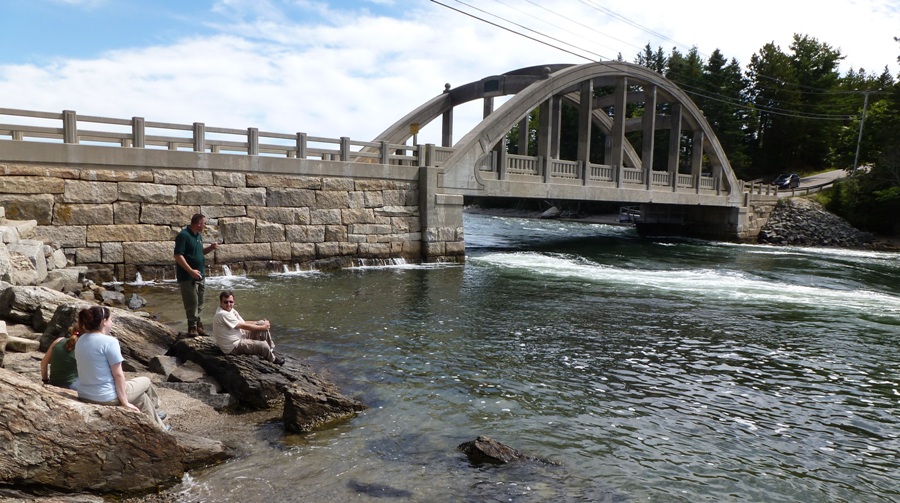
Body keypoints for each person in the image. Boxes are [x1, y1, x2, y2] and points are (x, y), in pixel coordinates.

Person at [73, 305, 169, 431]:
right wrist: (125, 402)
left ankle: (157, 424)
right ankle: (157, 413)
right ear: (104, 322)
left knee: (141, 398)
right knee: (146, 381)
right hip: (105, 397)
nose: (112, 323)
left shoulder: (80, 340)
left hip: (85, 394)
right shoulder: (109, 342)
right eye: (111, 320)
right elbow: (118, 374)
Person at [213, 290, 285, 365]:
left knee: (261, 323)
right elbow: (243, 326)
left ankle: (271, 350)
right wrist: (263, 327)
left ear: (234, 302)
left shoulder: (231, 310)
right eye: (226, 302)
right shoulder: (222, 314)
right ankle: (273, 360)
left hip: (239, 336)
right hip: (233, 346)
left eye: (231, 302)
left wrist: (260, 323)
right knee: (262, 345)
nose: (228, 304)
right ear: (221, 302)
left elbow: (243, 322)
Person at [174, 213, 218, 336]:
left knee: (200, 302)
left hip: (201, 275)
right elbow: (178, 255)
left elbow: (198, 253)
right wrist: (191, 271)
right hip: (188, 276)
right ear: (198, 223)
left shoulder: (198, 235)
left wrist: (210, 248)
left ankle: (198, 325)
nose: (205, 225)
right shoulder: (183, 235)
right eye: (204, 223)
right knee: (191, 303)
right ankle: (192, 327)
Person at [40, 324, 79, 389]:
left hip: (54, 382)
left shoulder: (58, 340)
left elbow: (43, 363)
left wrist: (45, 381)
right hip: (72, 385)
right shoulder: (83, 346)